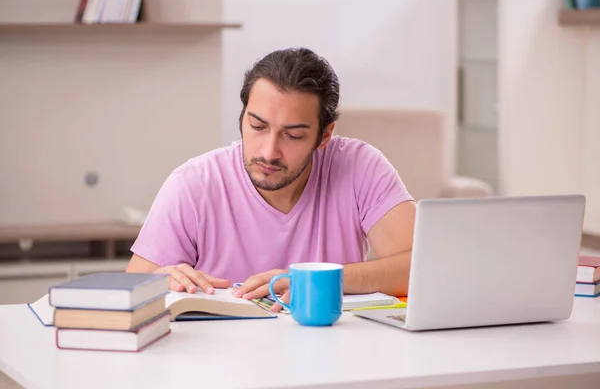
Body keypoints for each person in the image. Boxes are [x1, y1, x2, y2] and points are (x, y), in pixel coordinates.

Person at [126, 47, 416, 312]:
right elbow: (129, 292)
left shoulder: (359, 167)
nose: (268, 152)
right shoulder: (193, 185)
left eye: (293, 135)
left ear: (325, 135)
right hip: (218, 359)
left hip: (331, 353)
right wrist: (159, 279)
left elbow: (422, 265)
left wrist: (315, 280)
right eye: (257, 126)